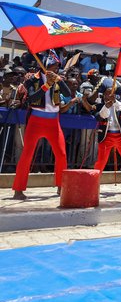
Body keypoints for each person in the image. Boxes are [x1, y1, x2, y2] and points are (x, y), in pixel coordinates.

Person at [13, 51, 70, 200]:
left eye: (57, 66)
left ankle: (60, 187)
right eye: (52, 66)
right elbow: (31, 99)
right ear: (44, 65)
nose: (55, 69)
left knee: (62, 154)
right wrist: (47, 85)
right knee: (27, 154)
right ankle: (18, 189)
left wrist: (58, 80)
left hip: (54, 122)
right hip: (36, 121)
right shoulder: (32, 79)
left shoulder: (59, 78)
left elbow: (68, 92)